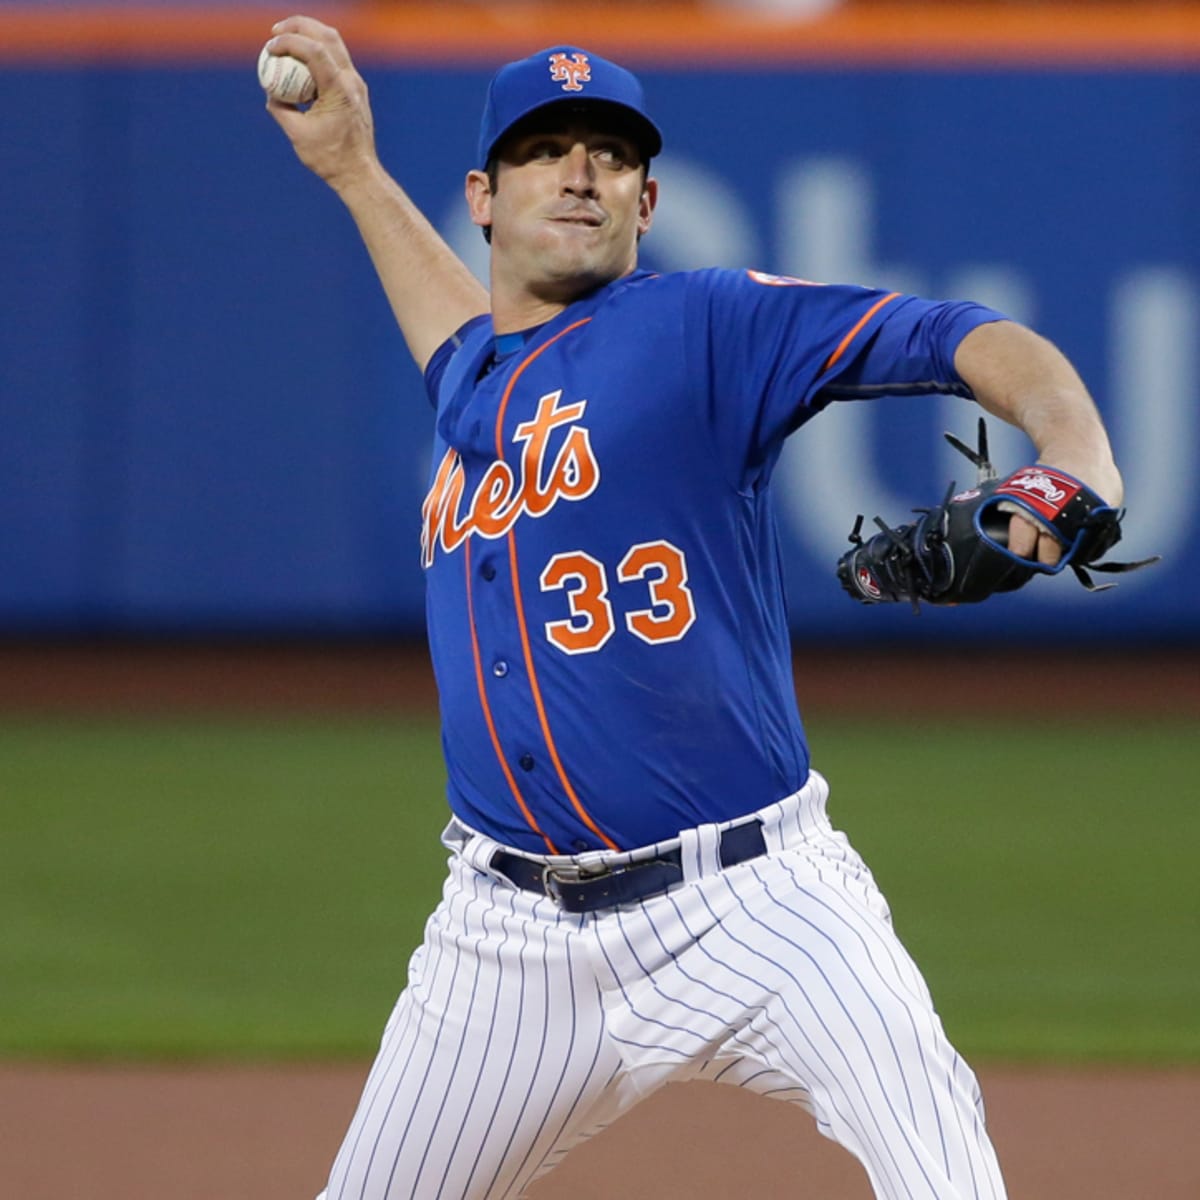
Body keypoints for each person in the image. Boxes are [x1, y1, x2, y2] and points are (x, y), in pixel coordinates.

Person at [264, 17, 1123, 1200]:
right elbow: (456, 336)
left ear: (647, 199)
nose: (580, 171)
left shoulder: (705, 326)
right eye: (545, 148)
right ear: (482, 193)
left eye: (609, 155)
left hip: (758, 904)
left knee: (948, 1182)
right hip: (504, 940)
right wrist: (354, 170)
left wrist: (1074, 456)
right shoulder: (481, 380)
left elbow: (963, 335)